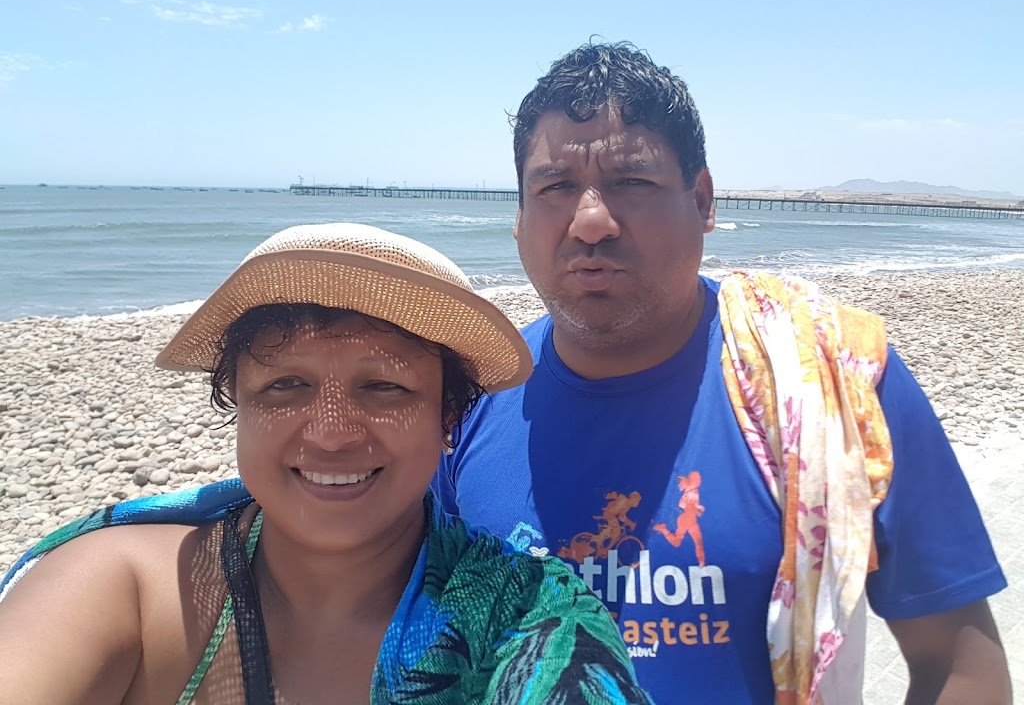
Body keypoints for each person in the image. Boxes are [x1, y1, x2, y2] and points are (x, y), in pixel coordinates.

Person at [434, 43, 1010, 703]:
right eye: (554, 187)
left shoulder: (835, 381)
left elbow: (958, 665)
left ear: (703, 200)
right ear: (518, 219)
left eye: (632, 182)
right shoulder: (467, 399)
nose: (590, 222)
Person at [0, 222, 655, 704]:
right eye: (286, 385)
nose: (333, 435)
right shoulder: (128, 590)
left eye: (385, 387)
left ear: (448, 419)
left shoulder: (532, 617)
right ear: (238, 404)